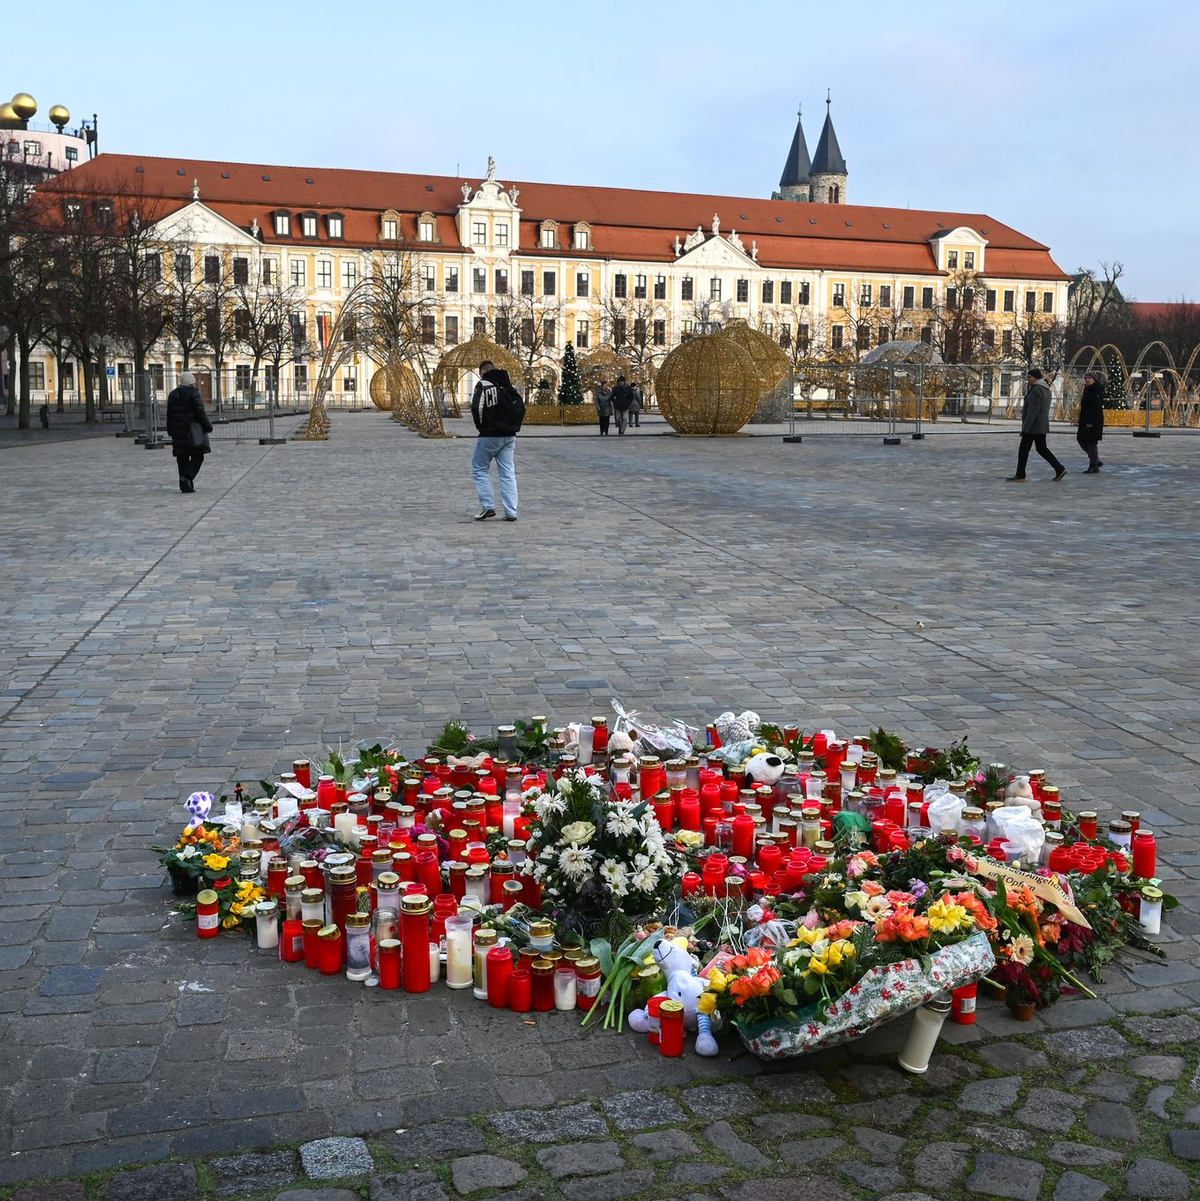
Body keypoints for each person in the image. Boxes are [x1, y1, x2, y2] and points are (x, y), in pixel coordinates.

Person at [469, 359, 520, 521]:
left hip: (489, 434)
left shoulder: (483, 385)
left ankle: (488, 506)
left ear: (482, 372)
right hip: (509, 435)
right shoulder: (507, 386)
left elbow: (477, 407)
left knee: (480, 468)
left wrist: (481, 426)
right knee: (507, 472)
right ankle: (511, 511)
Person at [1008, 368, 1066, 483]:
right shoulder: (1046, 389)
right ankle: (1059, 468)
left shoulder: (1036, 389)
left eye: (1029, 377)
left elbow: (1032, 411)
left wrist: (1025, 428)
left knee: (1024, 450)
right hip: (1041, 425)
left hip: (1033, 426)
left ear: (1035, 377)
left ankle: (1020, 474)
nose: (1027, 379)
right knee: (1042, 448)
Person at [166, 370, 213, 493]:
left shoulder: (172, 394)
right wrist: (208, 426)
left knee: (182, 458)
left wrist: (169, 430)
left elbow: (169, 414)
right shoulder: (194, 394)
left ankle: (185, 486)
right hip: (192, 432)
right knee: (198, 456)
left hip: (177, 431)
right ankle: (187, 477)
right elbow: (200, 412)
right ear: (192, 382)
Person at [1076, 369, 1106, 473]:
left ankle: (1093, 465)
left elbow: (1095, 407)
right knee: (1081, 440)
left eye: (1089, 378)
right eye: (1086, 378)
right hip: (1085, 418)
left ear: (1094, 379)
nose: (1087, 380)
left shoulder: (1096, 389)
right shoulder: (1088, 389)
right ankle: (1095, 460)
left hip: (1093, 419)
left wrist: (1090, 422)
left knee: (1090, 442)